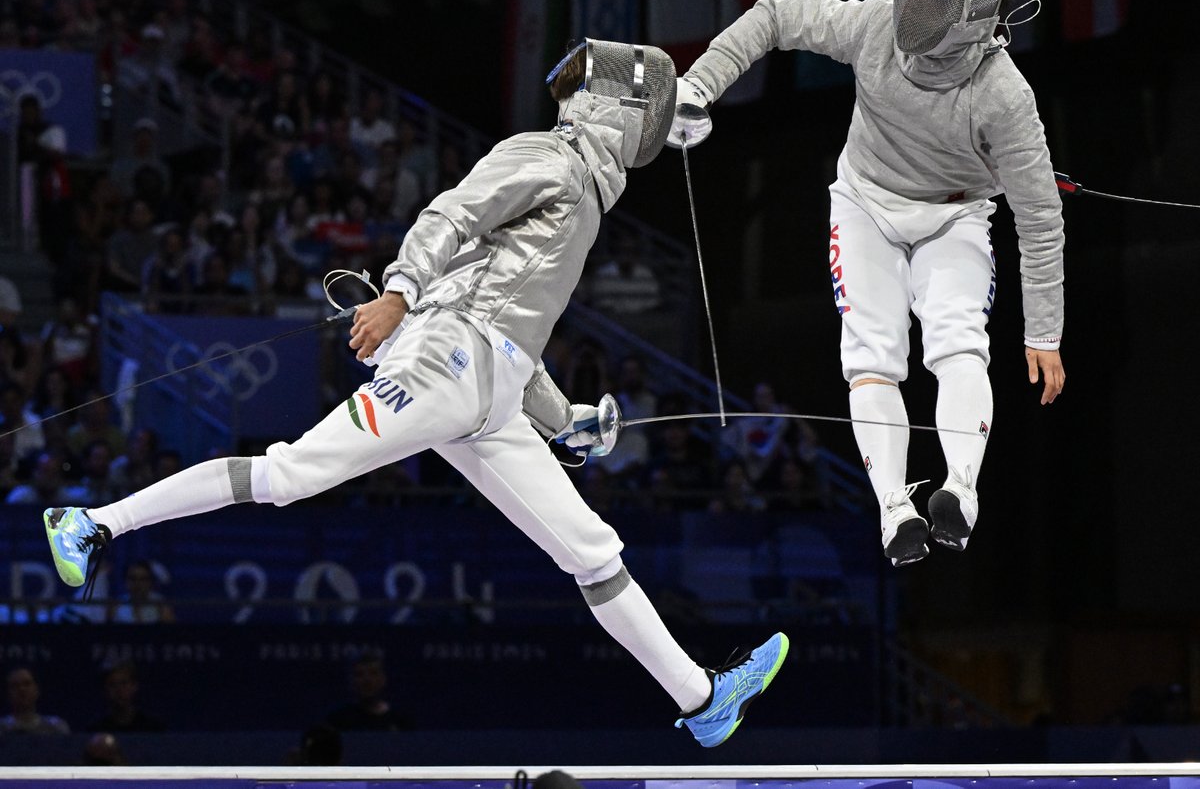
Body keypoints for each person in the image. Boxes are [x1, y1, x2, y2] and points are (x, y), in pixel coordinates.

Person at [42, 38, 787, 747]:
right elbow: (448, 216)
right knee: (293, 473)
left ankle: (701, 700)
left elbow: (510, 329)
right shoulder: (546, 157)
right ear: (616, 114)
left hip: (489, 389)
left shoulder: (582, 194)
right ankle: (93, 523)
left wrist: (568, 421)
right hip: (445, 363)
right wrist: (398, 295)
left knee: (593, 553)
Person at [679, 0, 1066, 566]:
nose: (909, 14)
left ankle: (950, 495)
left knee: (951, 343)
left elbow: (1039, 214)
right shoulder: (876, 24)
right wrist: (698, 85)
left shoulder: (1003, 96)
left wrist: (1045, 330)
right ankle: (900, 508)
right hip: (864, 206)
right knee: (890, 357)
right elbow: (776, 16)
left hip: (953, 215)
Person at [0, 667, 70, 735]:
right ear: (8, 693)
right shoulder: (2, 728)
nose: (21, 689)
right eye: (15, 685)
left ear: (37, 690)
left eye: (27, 684)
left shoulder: (55, 726)